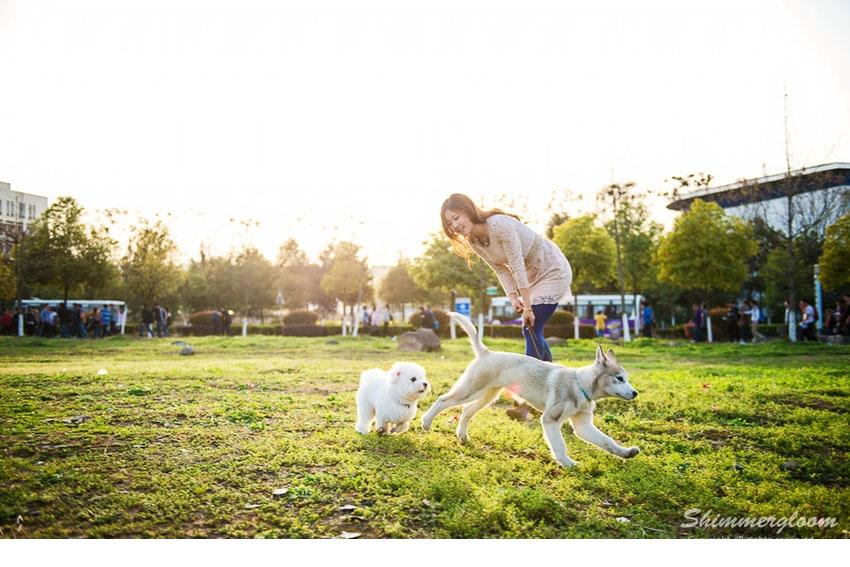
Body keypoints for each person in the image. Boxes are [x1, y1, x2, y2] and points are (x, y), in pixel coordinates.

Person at [441, 193, 573, 421]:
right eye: (449, 224)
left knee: (530, 327)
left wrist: (528, 306)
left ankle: (526, 402)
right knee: (534, 330)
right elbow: (500, 269)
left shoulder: (499, 225)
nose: (455, 225)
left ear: (468, 209)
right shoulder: (474, 241)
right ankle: (555, 390)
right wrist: (513, 297)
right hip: (531, 277)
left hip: (551, 269)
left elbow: (516, 265)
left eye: (456, 217)